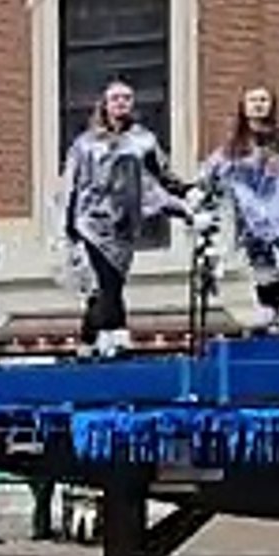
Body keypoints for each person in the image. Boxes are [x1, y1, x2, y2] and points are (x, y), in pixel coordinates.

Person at [61, 80, 193, 359]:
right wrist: (69, 223)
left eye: (126, 98)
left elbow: (162, 176)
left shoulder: (143, 140)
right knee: (108, 282)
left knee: (107, 285)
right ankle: (117, 338)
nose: (121, 103)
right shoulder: (85, 143)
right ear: (105, 104)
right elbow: (71, 183)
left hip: (124, 225)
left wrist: (187, 192)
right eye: (115, 98)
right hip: (91, 222)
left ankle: (87, 342)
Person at [199, 86, 279, 337]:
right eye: (253, 100)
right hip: (252, 219)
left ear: (272, 105)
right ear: (244, 106)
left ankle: (270, 308)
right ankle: (271, 318)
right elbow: (208, 175)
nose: (258, 104)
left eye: (263, 100)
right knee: (263, 268)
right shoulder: (231, 149)